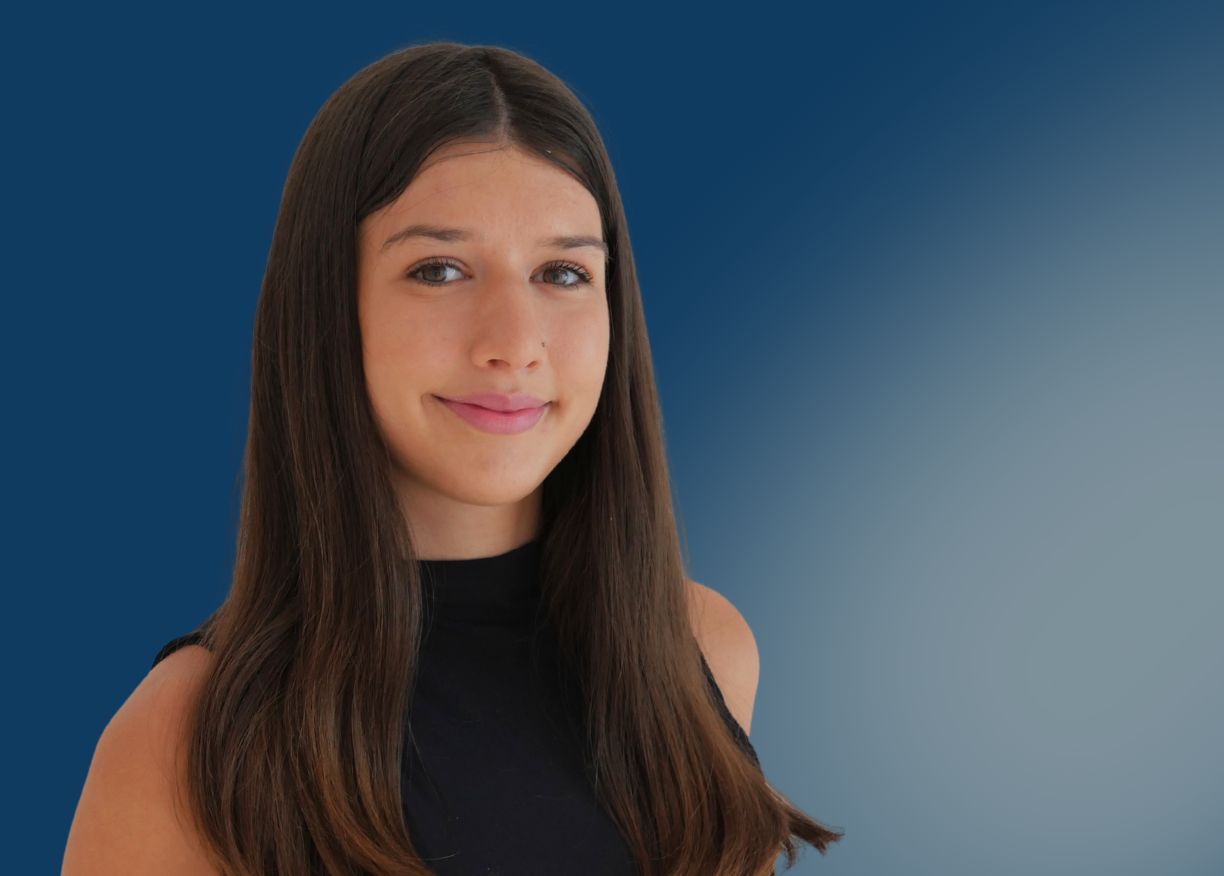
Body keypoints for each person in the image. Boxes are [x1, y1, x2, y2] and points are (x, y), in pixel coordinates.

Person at [62, 41, 843, 875]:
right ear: (329, 305)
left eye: (562, 272)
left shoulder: (701, 650)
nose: (514, 342)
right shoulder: (191, 737)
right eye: (438, 270)